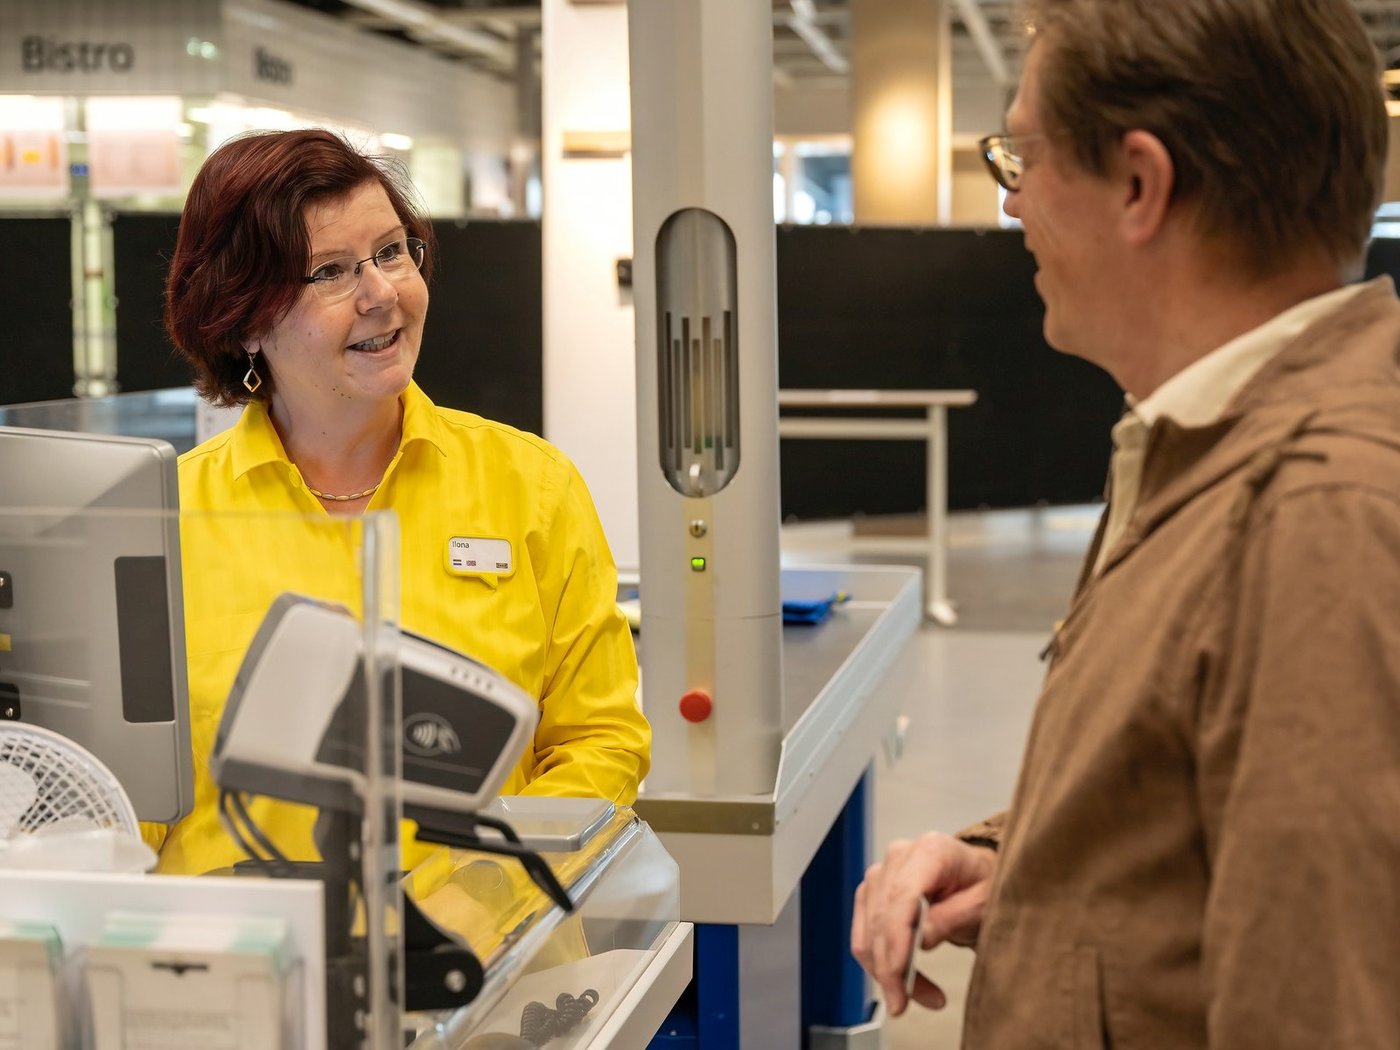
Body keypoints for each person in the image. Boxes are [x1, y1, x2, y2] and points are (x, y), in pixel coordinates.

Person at [852, 0, 1400, 1045]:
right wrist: (1014, 862)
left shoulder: (1317, 519)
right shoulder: (1212, 450)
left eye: (1024, 157)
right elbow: (1200, 812)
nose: (1010, 202)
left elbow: (1321, 1008)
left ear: (1141, 185)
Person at [146, 128, 650, 876]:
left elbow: (600, 741)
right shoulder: (165, 522)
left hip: (484, 937)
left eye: (390, 252)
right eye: (330, 271)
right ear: (245, 317)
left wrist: (477, 894)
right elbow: (124, 800)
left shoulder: (531, 488)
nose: (382, 294)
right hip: (239, 938)